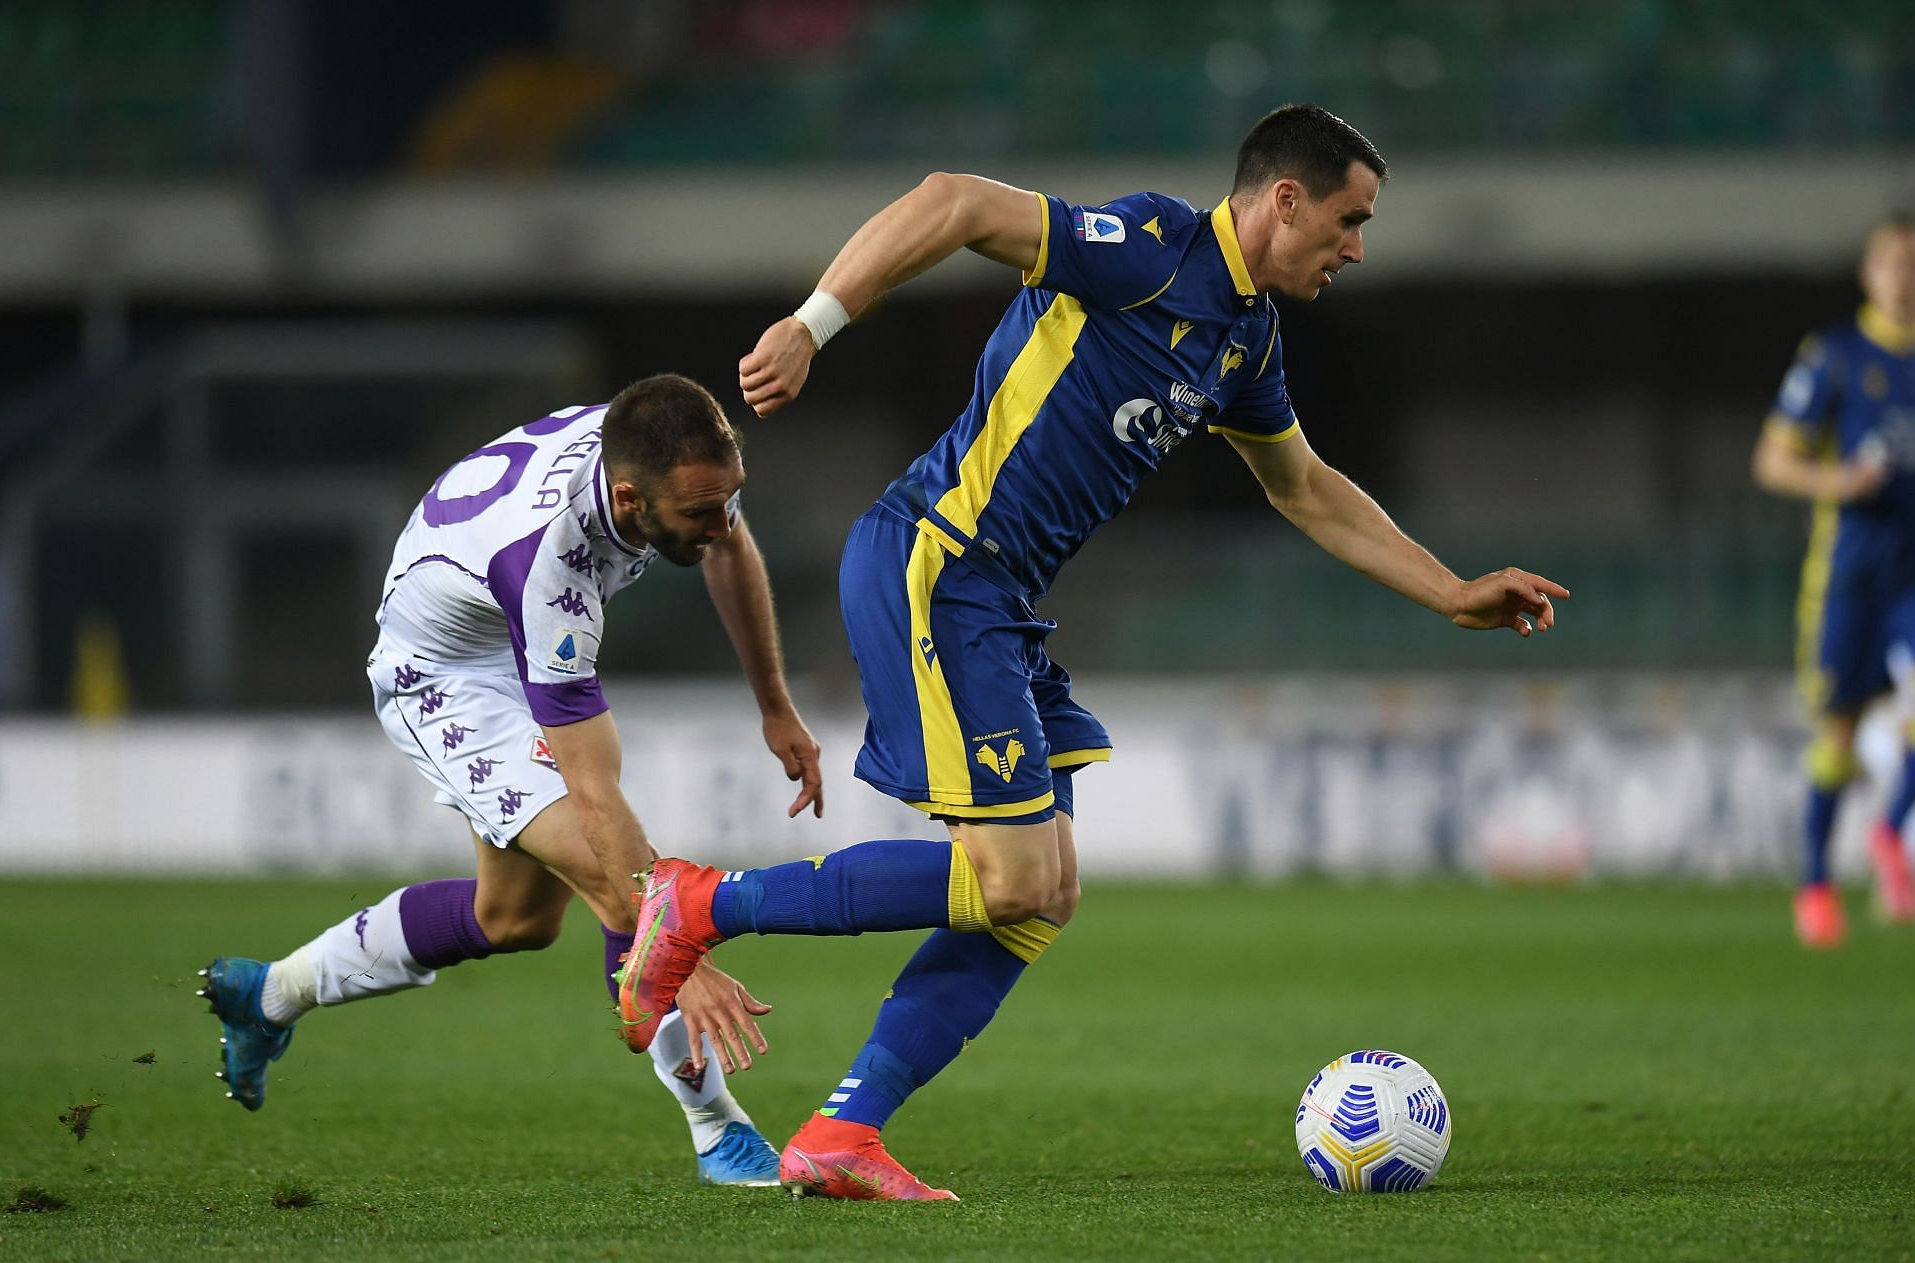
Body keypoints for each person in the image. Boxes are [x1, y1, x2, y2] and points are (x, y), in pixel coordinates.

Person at [621, 103, 1569, 1201]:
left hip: (1001, 600)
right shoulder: (1151, 253)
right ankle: (695, 905)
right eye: (1349, 220)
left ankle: (843, 1134)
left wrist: (1450, 590)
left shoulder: (1244, 338)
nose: (1357, 247)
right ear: (1284, 200)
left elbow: (1303, 486)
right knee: (1012, 874)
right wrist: (812, 324)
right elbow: (955, 201)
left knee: (1043, 894)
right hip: (938, 561)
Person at [199, 374, 824, 1186]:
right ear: (630, 500)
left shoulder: (664, 452)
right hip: (446, 673)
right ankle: (718, 1131)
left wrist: (775, 705)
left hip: (496, 623)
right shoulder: (550, 566)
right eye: (698, 513)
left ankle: (270, 993)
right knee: (616, 884)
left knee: (515, 916)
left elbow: (731, 543)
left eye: (725, 498)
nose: (719, 522)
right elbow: (594, 791)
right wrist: (681, 953)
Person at [1752, 212, 1915, 948]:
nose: (1906, 278)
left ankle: (1887, 834)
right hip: (1852, 574)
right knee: (1838, 737)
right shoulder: (1837, 357)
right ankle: (1816, 880)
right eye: (1894, 263)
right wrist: (1842, 481)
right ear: (1869, 274)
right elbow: (1773, 460)